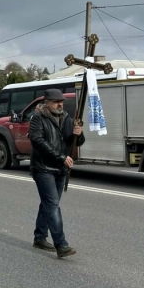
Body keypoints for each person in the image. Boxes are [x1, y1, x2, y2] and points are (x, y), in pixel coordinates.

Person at [29, 88, 84, 259]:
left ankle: (39, 237)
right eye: (56, 101)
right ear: (47, 103)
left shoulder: (67, 119)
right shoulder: (38, 119)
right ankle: (61, 244)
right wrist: (61, 157)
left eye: (61, 101)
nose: (60, 104)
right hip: (43, 168)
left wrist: (79, 135)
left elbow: (75, 141)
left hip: (61, 169)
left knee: (48, 204)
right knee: (52, 205)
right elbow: (38, 141)